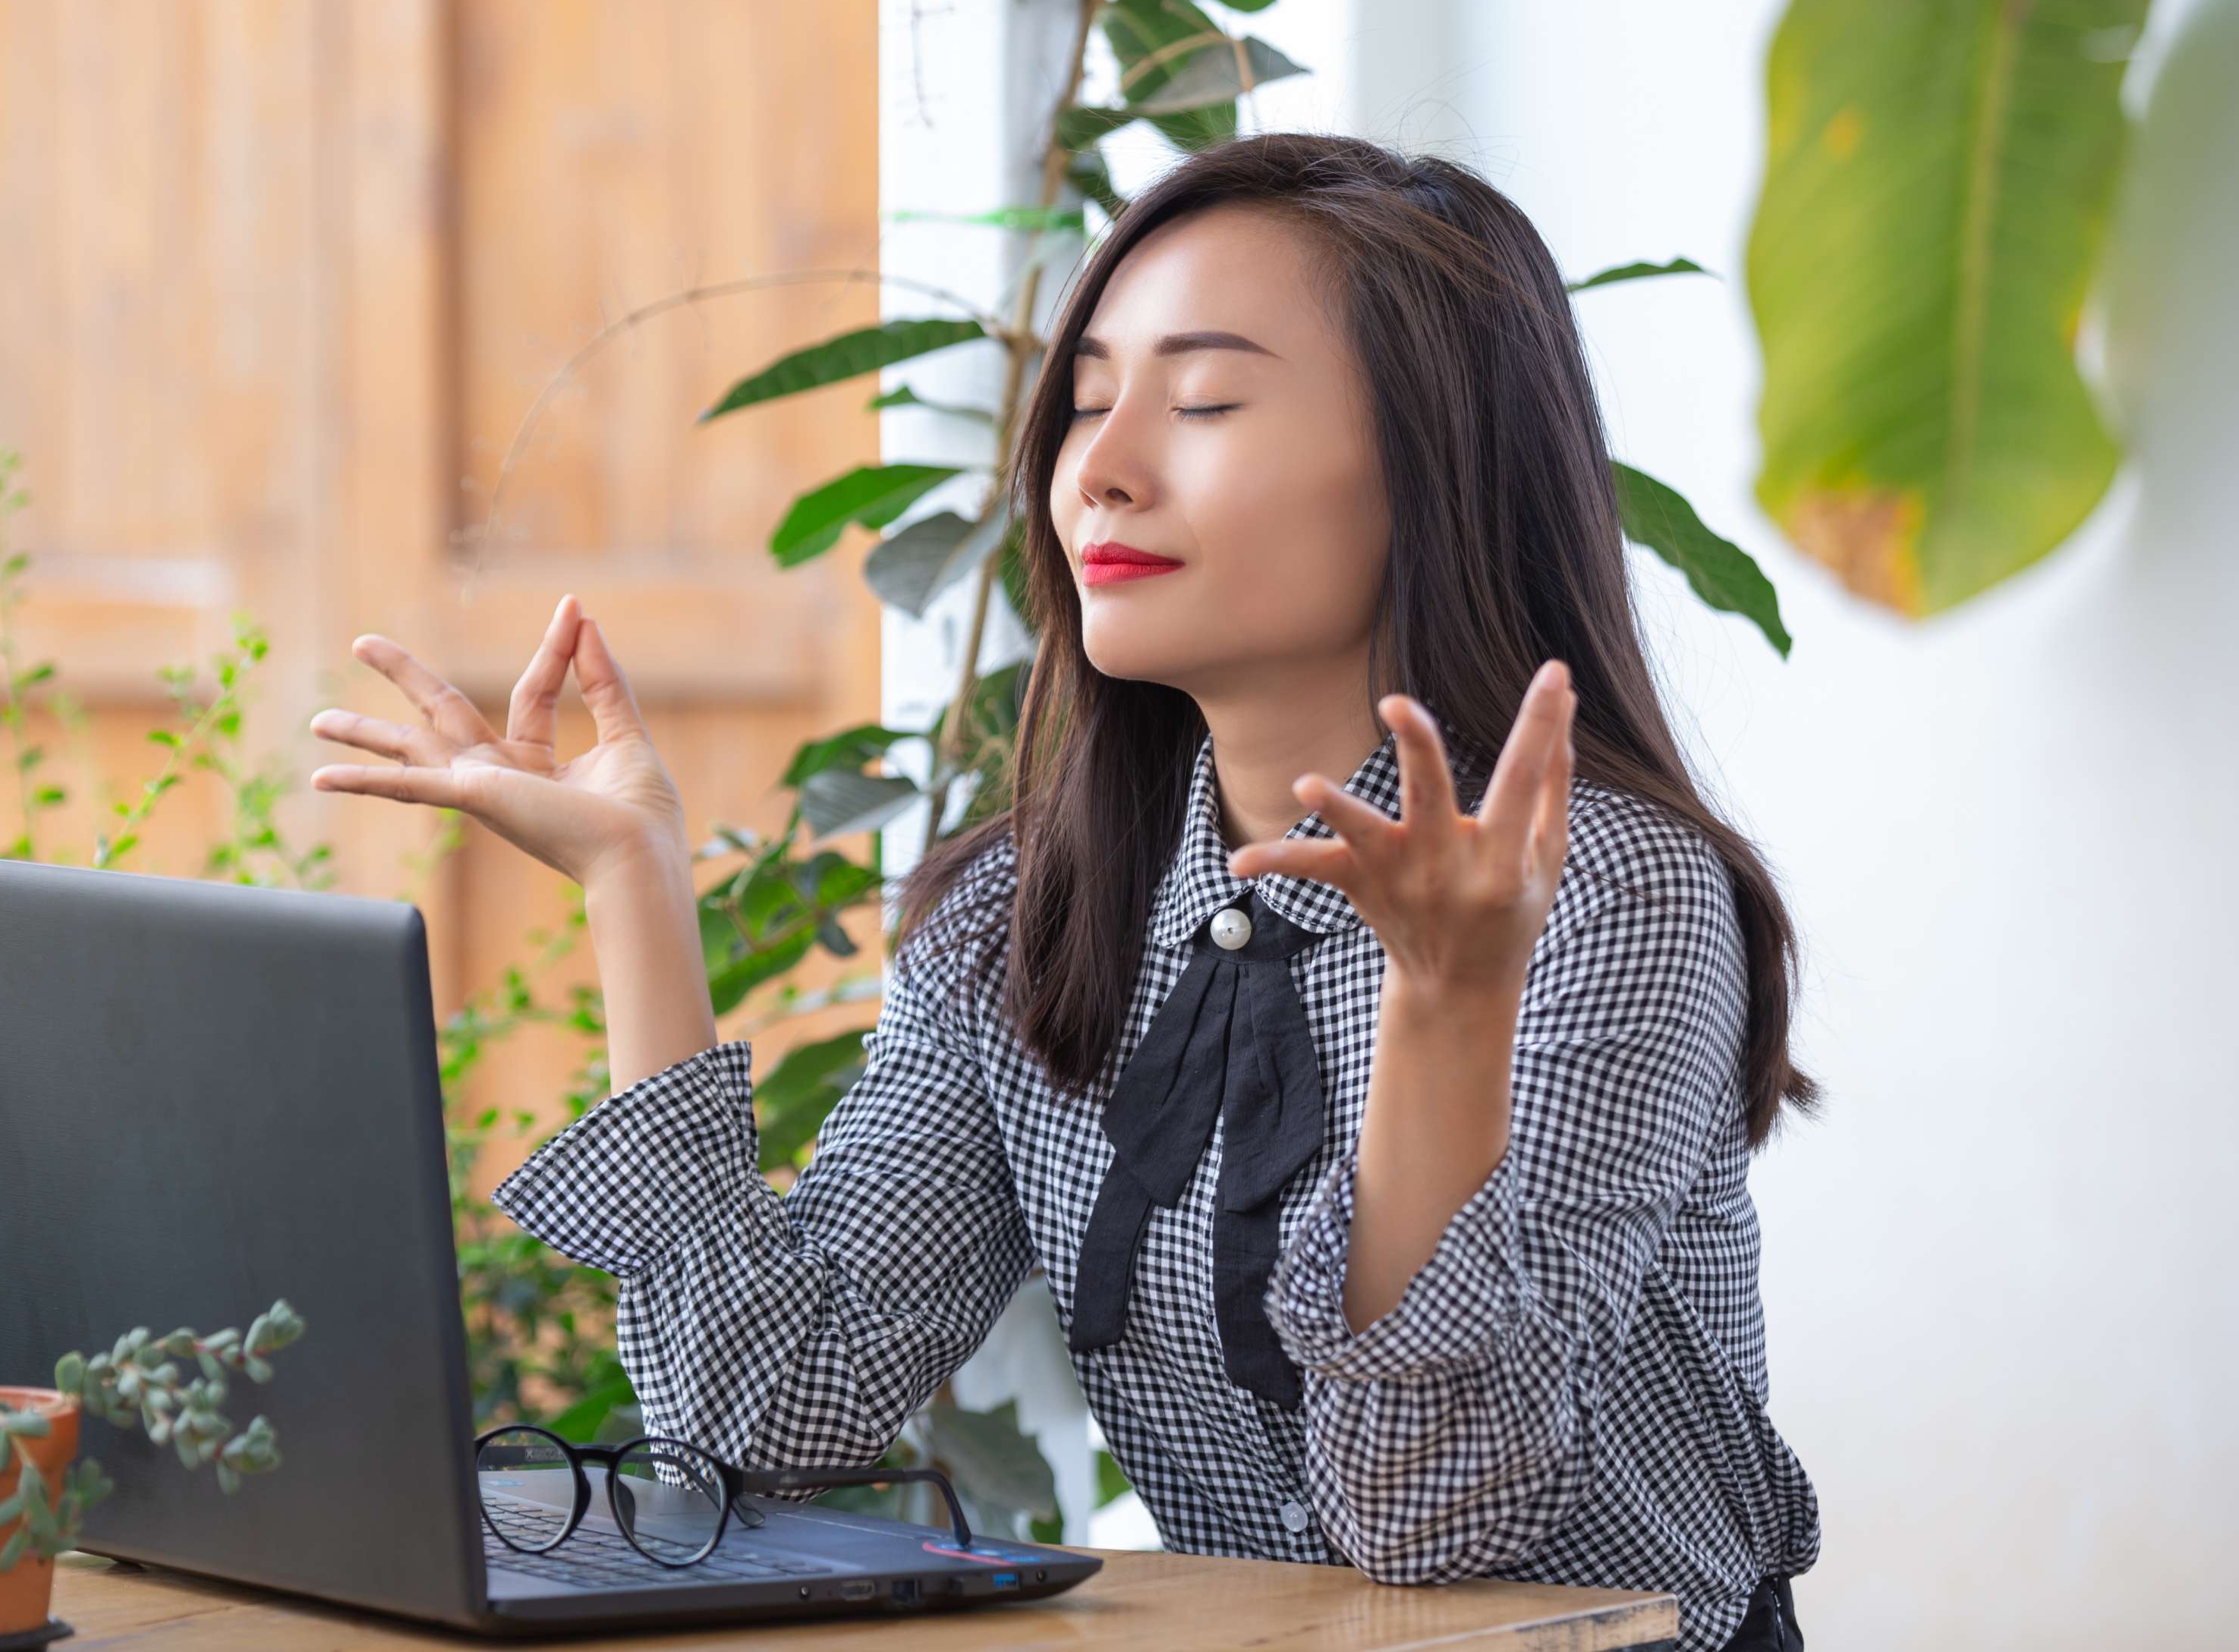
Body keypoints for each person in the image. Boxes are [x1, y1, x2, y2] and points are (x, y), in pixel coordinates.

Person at [308, 134, 1819, 1652]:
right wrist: (632, 886)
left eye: (1209, 399)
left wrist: (1443, 1009)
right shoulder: (1028, 908)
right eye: (1091, 398)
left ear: (1433, 465)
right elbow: (772, 1412)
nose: (1098, 468)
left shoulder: (1610, 892)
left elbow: (1432, 1524)